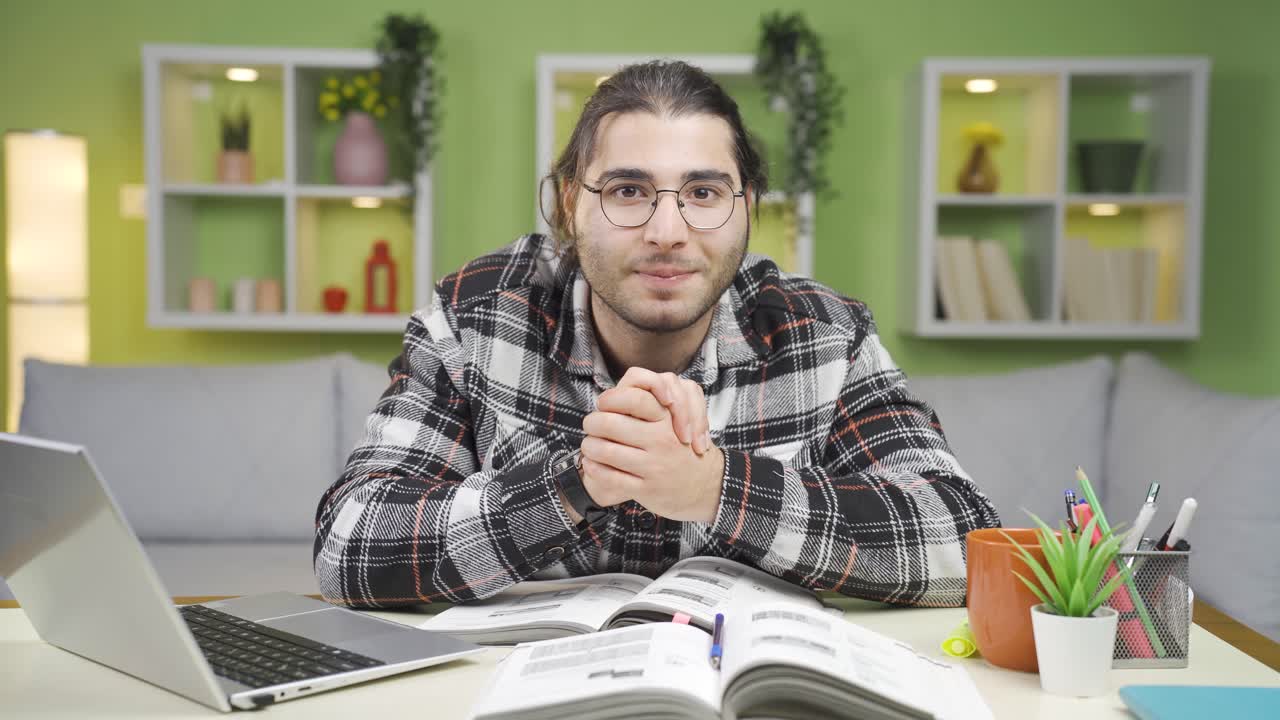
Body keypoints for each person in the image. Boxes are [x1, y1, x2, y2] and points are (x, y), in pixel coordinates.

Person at [314, 60, 999, 609]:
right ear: (570, 205)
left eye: (703, 193)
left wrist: (718, 488)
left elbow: (966, 543)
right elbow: (349, 546)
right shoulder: (476, 317)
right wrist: (578, 481)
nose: (667, 232)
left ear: (746, 210)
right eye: (628, 191)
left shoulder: (823, 336)